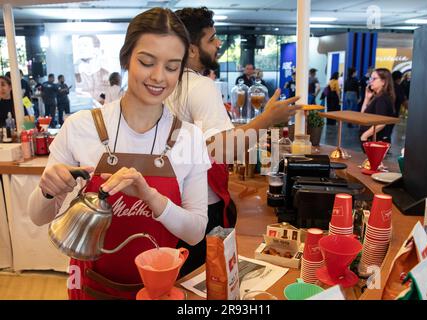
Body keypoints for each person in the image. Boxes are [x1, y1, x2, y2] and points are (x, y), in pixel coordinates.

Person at [27, 7, 210, 300]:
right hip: (91, 287)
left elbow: (195, 232)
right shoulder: (80, 127)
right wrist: (49, 190)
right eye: (147, 62)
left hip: (158, 293)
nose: (159, 77)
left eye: (172, 67)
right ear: (126, 59)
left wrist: (151, 197)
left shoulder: (189, 137)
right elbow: (37, 216)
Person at [167, 7, 300, 277]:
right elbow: (219, 149)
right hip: (201, 204)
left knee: (177, 281)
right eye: (211, 38)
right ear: (192, 49)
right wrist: (267, 119)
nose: (218, 44)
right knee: (201, 281)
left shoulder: (166, 83)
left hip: (170, 202)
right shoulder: (200, 86)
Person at [359, 68, 396, 144]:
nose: (370, 81)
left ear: (383, 82)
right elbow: (362, 116)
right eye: (370, 78)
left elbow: (381, 123)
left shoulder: (382, 98)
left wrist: (364, 136)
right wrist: (367, 98)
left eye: (374, 79)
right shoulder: (377, 97)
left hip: (375, 140)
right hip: (372, 139)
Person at [74, 34, 110, 102]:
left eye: (85, 45)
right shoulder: (76, 74)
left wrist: (91, 98)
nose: (81, 49)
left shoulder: (106, 74)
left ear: (96, 50)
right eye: (79, 46)